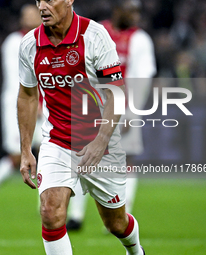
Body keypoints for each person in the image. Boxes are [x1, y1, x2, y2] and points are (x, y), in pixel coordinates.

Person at [18, 0, 145, 254]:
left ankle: (136, 251)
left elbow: (115, 93)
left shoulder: (95, 35)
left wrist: (102, 140)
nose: (42, 6)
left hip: (100, 142)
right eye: (38, 0)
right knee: (50, 211)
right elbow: (28, 96)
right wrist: (25, 150)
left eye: (50, 0)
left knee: (116, 223)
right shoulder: (30, 44)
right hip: (57, 141)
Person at [66, 0, 157, 231]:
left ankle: (122, 216)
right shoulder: (96, 31)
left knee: (126, 160)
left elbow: (142, 79)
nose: (136, 15)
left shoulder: (140, 39)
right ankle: (76, 216)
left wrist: (131, 112)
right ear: (117, 10)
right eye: (131, 10)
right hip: (91, 106)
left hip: (123, 108)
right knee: (83, 157)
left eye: (138, 10)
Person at [0, 4, 42, 216]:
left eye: (35, 14)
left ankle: (45, 203)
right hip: (19, 103)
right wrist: (33, 101)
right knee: (16, 156)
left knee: (51, 152)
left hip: (43, 104)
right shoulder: (14, 42)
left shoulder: (46, 40)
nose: (32, 18)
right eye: (28, 15)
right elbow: (17, 78)